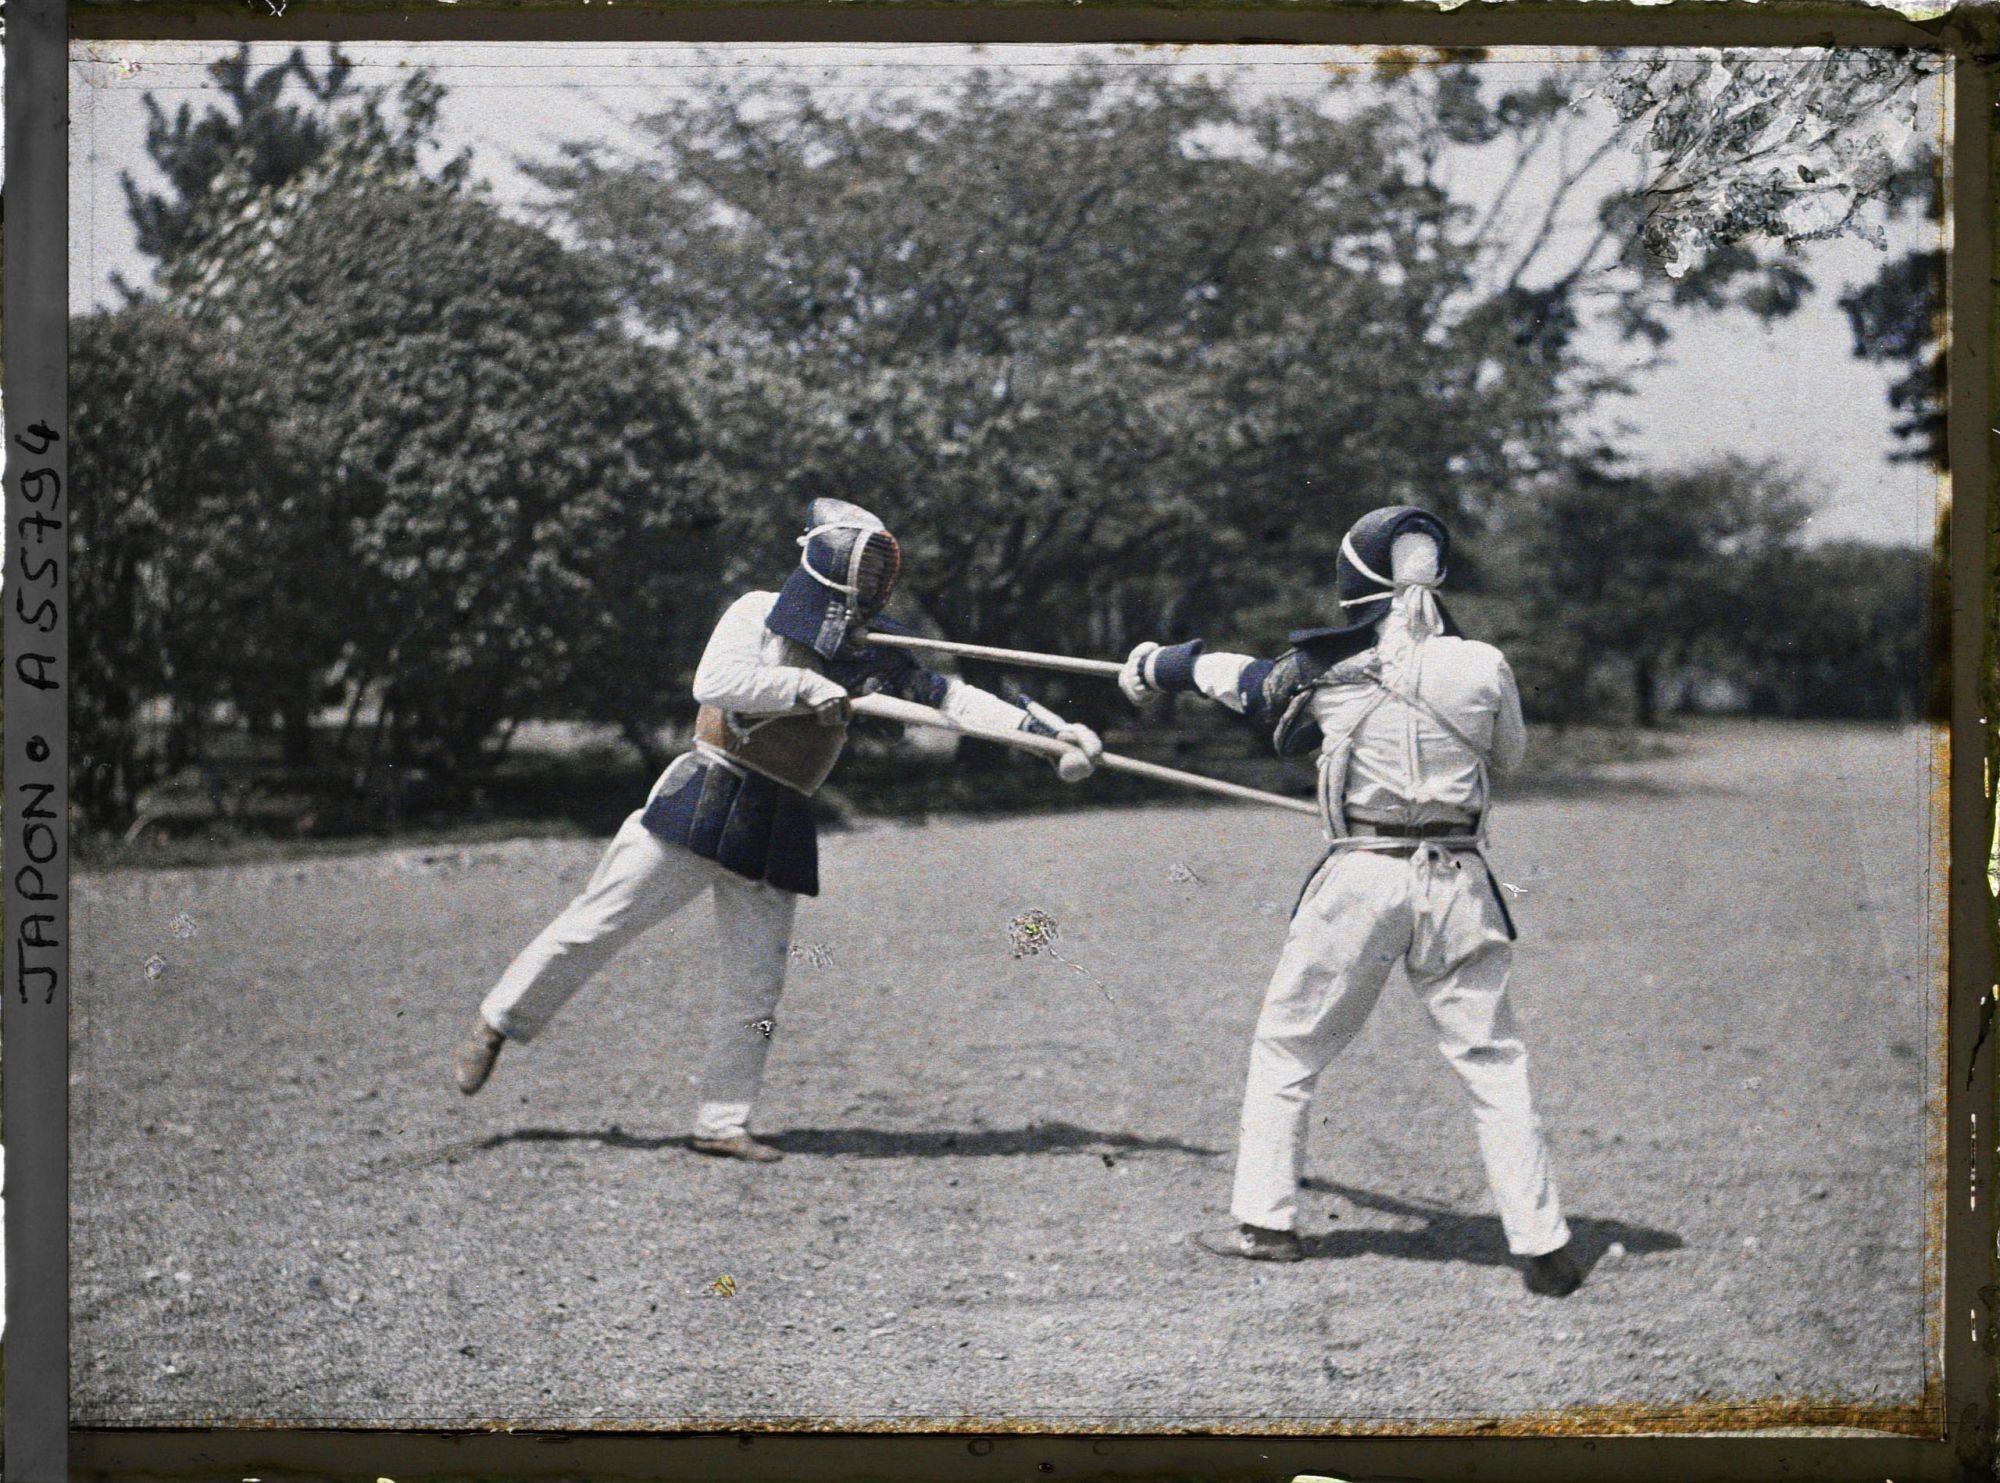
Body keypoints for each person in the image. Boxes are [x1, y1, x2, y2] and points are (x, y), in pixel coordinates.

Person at [453, 497, 1104, 1162]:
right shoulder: (755, 613)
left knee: (757, 984)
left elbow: (952, 700)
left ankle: (721, 1121)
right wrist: (799, 686)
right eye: (858, 584)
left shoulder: (873, 650)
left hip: (779, 817)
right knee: (599, 921)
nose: (865, 601)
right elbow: (717, 680)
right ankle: (500, 1020)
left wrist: (1047, 736)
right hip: (706, 792)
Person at [1118, 504, 1580, 1296]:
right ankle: (1544, 1247)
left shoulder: (1330, 669)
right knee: (1495, 1060)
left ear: (1353, 581)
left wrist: (1160, 662)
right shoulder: (1484, 662)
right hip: (1461, 880)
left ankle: (1266, 1223)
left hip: (1361, 874)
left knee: (1288, 1047)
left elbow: (1245, 681)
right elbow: (1509, 756)